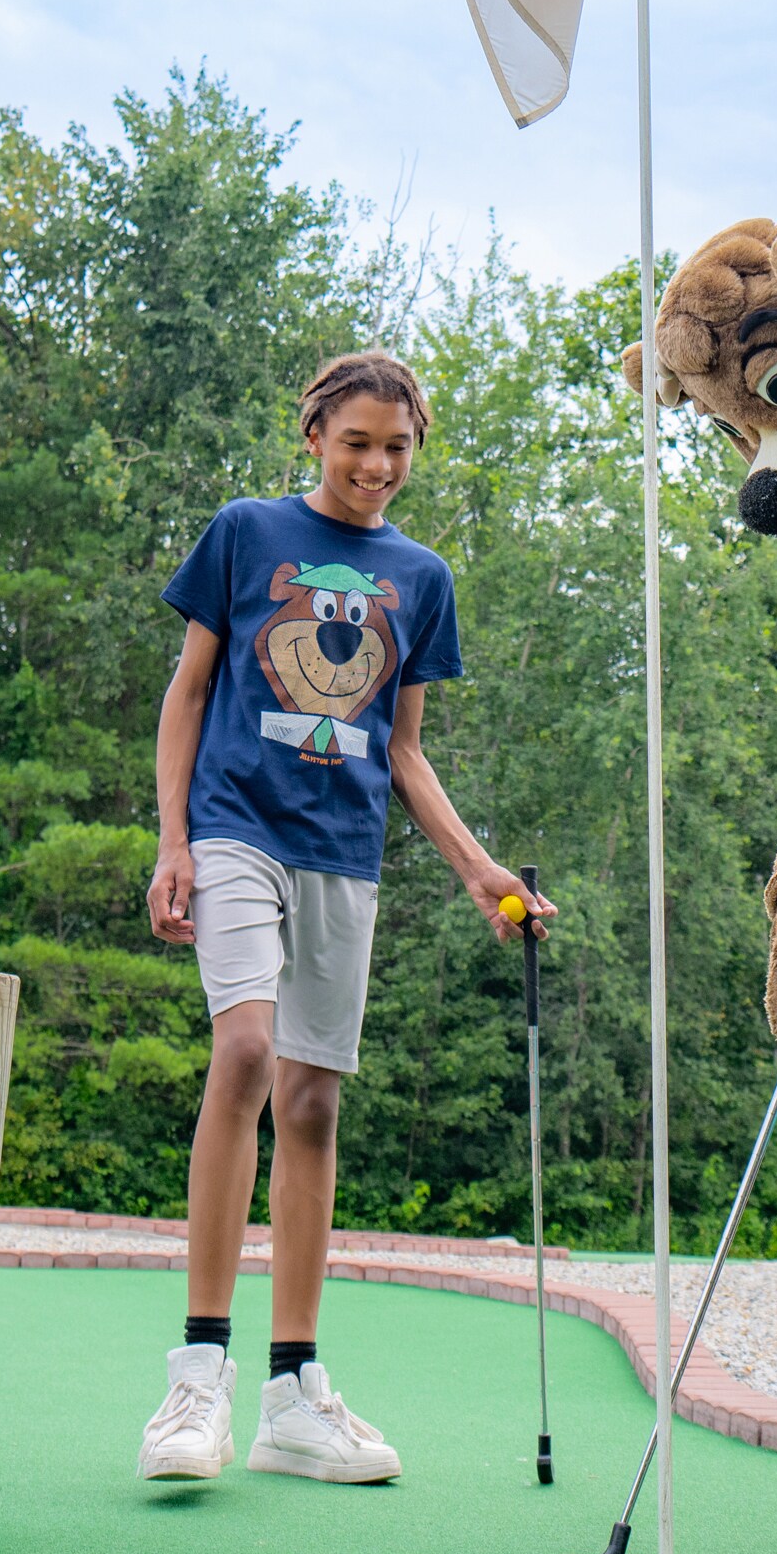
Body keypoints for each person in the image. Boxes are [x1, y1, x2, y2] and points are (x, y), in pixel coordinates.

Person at [132, 350, 532, 1487]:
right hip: (232, 829)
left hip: (343, 856)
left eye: (397, 446)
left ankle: (293, 1395)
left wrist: (480, 871)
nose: (377, 464)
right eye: (356, 440)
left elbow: (405, 748)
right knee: (246, 1050)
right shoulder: (245, 532)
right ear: (314, 434)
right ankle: (196, 1376)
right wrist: (170, 839)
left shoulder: (422, 575)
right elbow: (190, 691)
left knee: (310, 1103)